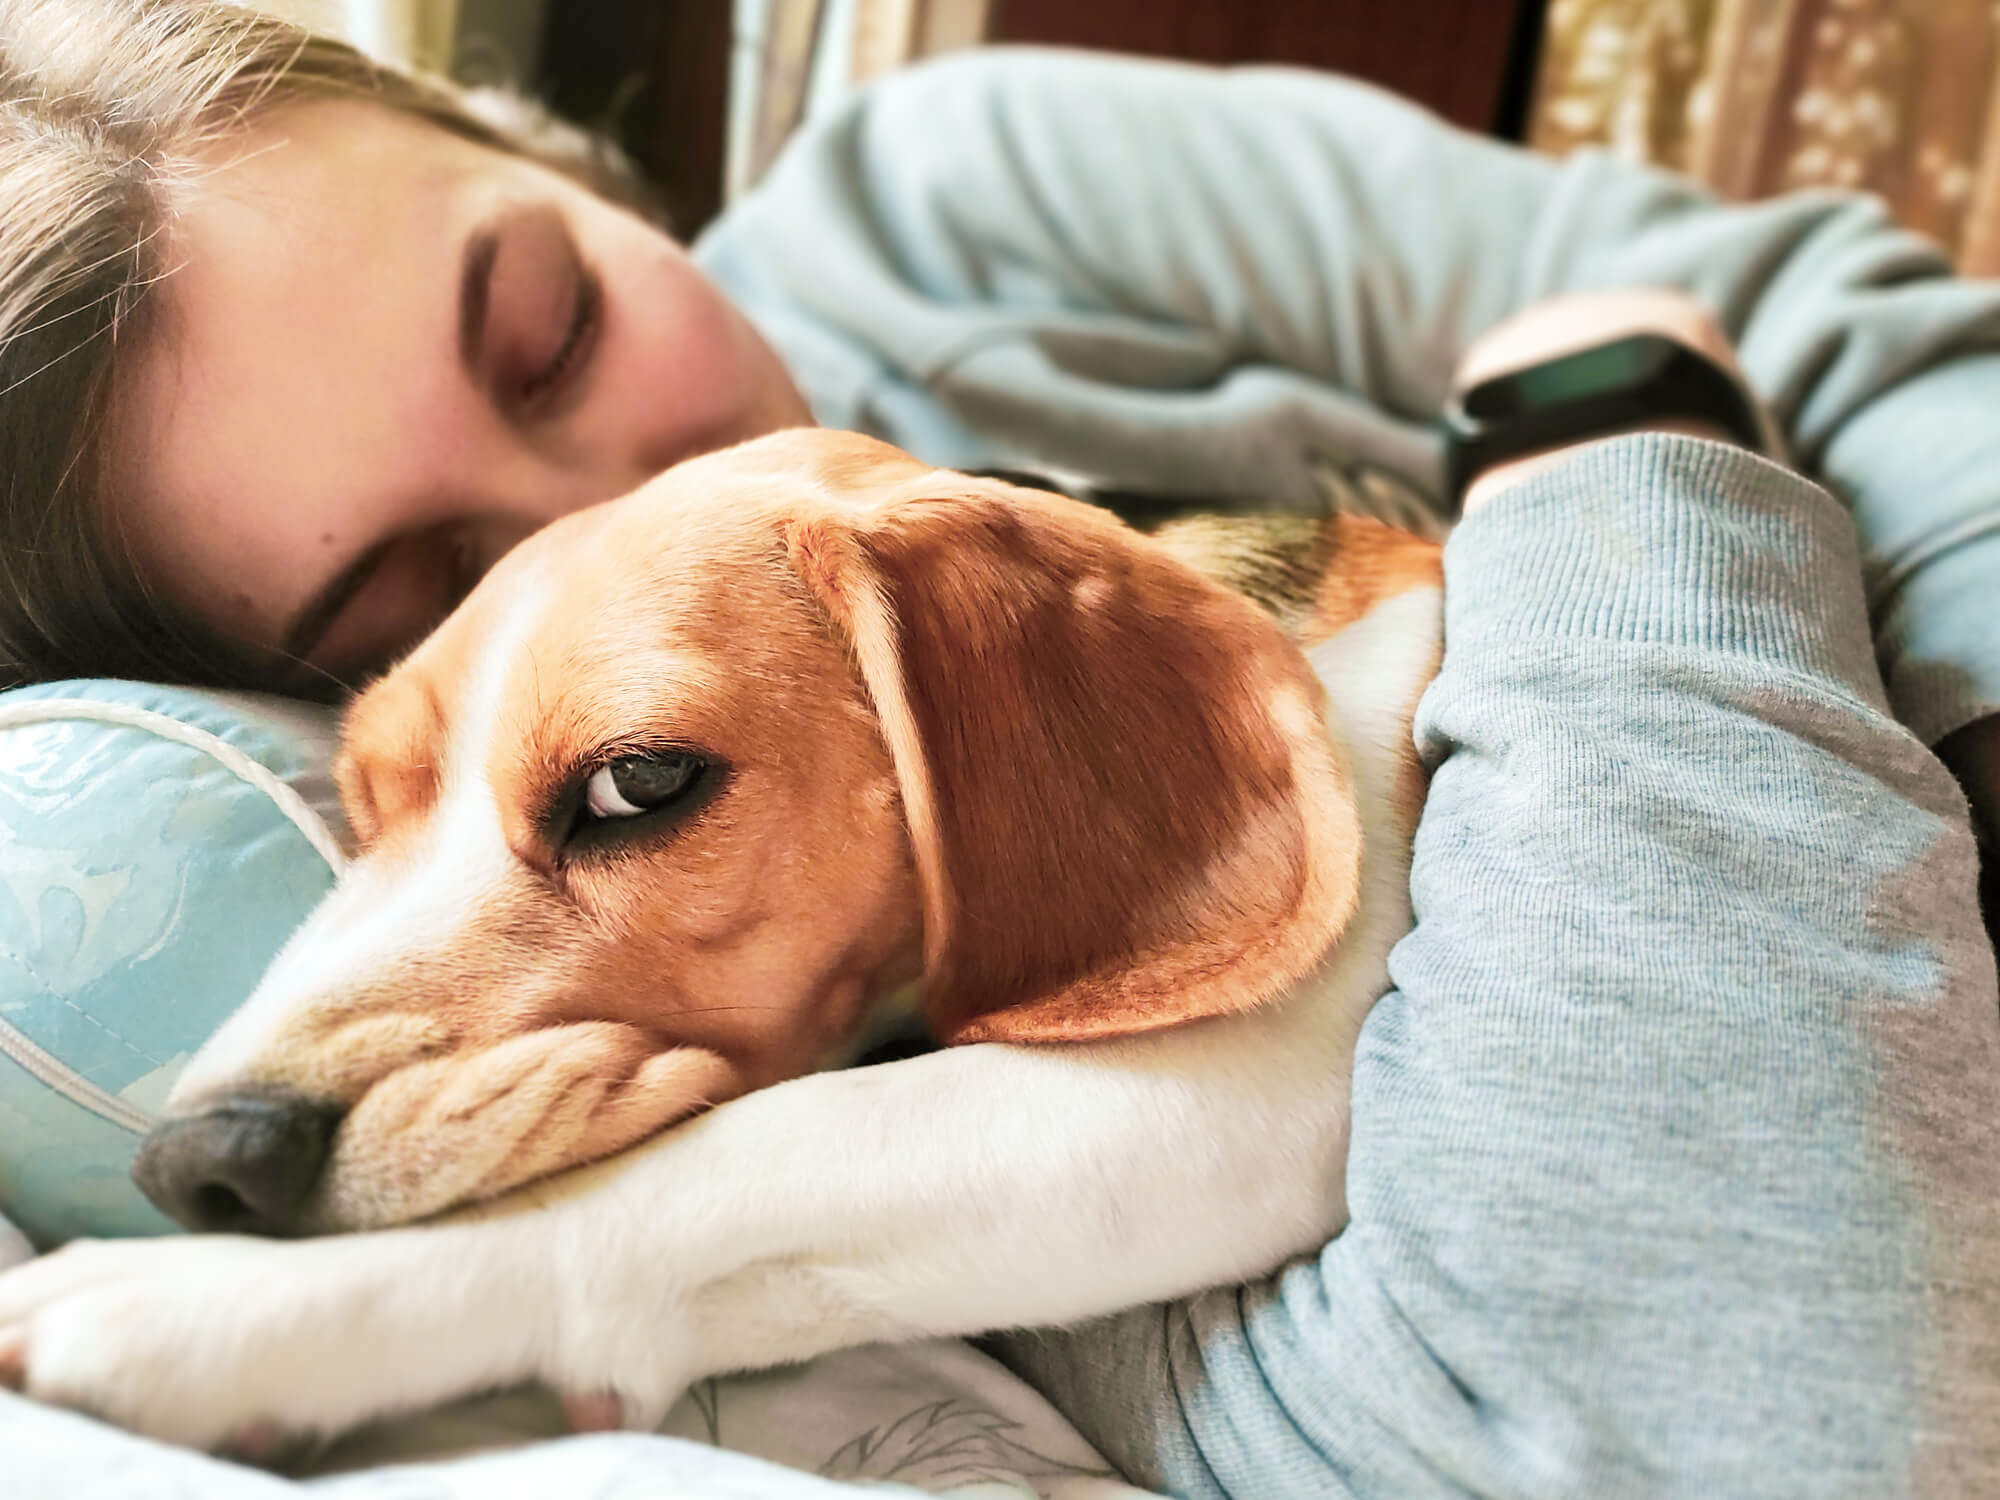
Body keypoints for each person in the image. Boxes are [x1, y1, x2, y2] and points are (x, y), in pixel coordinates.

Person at [0, 1, 1996, 1494]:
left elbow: (1823, 325)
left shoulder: (967, 199)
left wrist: (1620, 452)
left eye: (546, 337)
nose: (613, 498)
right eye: (414, 595)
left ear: (563, 165)